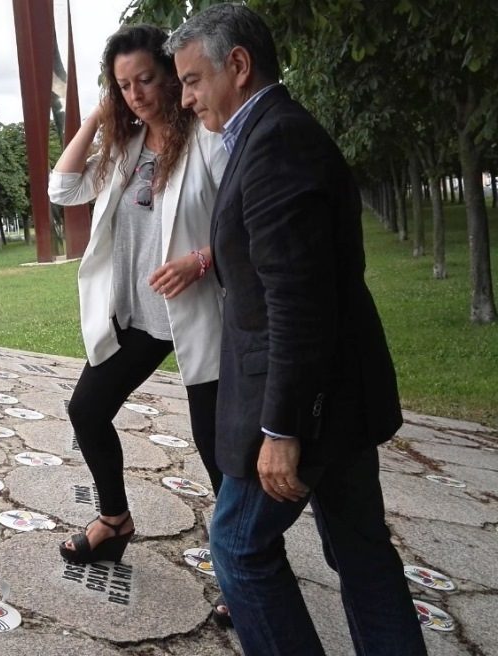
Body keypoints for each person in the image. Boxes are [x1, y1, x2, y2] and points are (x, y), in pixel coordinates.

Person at [165, 5, 428, 655]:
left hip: (304, 406)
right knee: (363, 557)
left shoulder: (277, 140)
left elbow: (297, 300)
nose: (187, 97)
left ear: (239, 66)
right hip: (339, 396)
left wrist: (282, 429)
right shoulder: (270, 134)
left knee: (237, 549)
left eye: (194, 80)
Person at [48, 24, 227, 574]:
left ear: (171, 76)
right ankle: (115, 521)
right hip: (139, 316)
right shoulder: (123, 148)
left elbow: (251, 219)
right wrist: (97, 117)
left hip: (204, 315)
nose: (136, 95)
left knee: (217, 450)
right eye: (123, 86)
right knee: (88, 410)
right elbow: (63, 190)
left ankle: (248, 565)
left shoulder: (209, 137)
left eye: (146, 79)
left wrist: (202, 260)